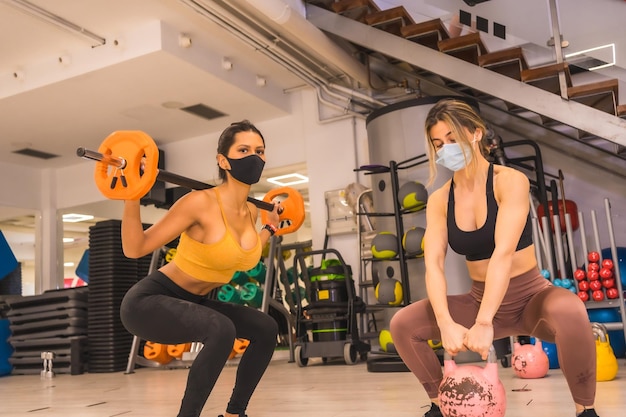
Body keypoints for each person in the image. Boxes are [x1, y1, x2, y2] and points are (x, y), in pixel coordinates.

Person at [389, 99, 599, 417]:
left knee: (571, 309)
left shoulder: (509, 181)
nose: (445, 148)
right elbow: (432, 264)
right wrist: (445, 323)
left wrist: (485, 322)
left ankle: (586, 411)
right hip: (478, 298)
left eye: (451, 137)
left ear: (475, 133)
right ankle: (439, 403)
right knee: (403, 324)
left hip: (531, 299)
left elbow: (502, 253)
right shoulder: (439, 200)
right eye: (438, 143)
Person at [120, 120, 281, 417]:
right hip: (149, 303)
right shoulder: (198, 203)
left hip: (194, 302)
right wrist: (132, 194)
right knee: (221, 329)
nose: (253, 157)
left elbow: (247, 255)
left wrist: (271, 227)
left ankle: (235, 414)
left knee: (266, 327)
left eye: (259, 151)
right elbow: (135, 248)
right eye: (243, 149)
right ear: (223, 160)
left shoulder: (251, 212)